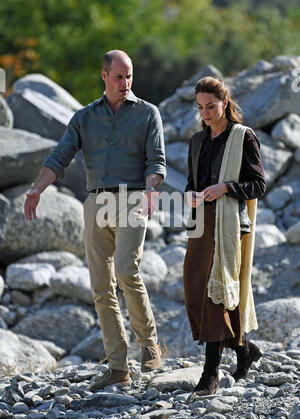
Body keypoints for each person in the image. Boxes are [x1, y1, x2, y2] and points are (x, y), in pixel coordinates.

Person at [24, 49, 166, 389]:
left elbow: (156, 161)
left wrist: (151, 189)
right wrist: (36, 189)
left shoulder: (148, 113)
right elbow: (60, 156)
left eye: (129, 76)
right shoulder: (84, 118)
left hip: (134, 196)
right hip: (96, 202)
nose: (125, 82)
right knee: (102, 287)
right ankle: (118, 366)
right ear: (104, 76)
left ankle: (150, 346)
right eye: (118, 76)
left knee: (126, 270)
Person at [183, 76, 266, 399]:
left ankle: (210, 375)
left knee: (215, 293)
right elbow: (192, 182)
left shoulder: (244, 137)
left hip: (230, 224)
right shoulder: (196, 141)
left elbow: (258, 185)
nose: (206, 113)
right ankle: (244, 349)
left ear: (225, 103)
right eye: (201, 107)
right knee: (194, 287)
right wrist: (189, 194)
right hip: (201, 222)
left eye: (211, 106)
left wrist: (226, 188)